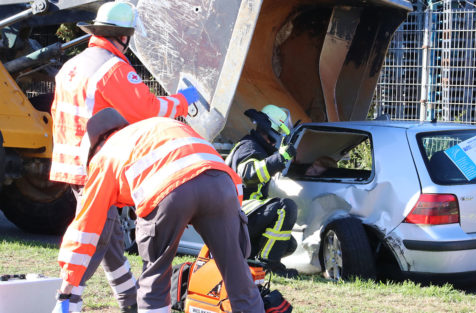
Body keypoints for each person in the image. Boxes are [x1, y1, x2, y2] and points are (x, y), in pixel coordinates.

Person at [49, 2, 200, 312]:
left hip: (71, 162)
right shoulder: (113, 68)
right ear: (124, 37)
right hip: (96, 166)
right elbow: (148, 110)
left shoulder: (72, 65)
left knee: (111, 238)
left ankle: (128, 299)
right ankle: (68, 299)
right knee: (97, 235)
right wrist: (184, 102)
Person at [56, 109, 264, 313]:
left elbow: (86, 226)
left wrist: (68, 285)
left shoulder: (104, 156)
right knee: (239, 278)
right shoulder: (155, 128)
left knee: (155, 276)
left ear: (94, 148)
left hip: (168, 191)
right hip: (222, 185)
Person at [226, 104, 299, 278]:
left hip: (241, 218)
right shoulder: (249, 147)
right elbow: (250, 174)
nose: (277, 142)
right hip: (236, 216)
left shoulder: (257, 147)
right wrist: (280, 158)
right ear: (272, 131)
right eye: (278, 137)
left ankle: (249, 259)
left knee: (288, 244)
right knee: (285, 207)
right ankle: (269, 265)